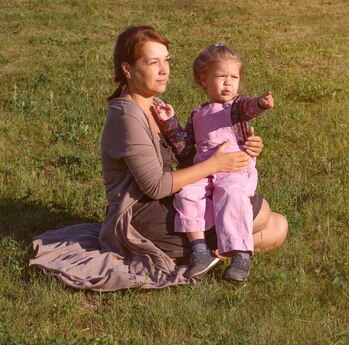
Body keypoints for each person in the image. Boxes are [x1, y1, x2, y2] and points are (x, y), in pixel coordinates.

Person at [29, 26, 288, 291]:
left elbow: (188, 158)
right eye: (153, 62)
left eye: (166, 60)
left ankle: (208, 251)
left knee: (277, 225)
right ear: (128, 69)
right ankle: (200, 252)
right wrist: (215, 164)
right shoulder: (127, 117)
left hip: (165, 202)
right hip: (141, 218)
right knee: (263, 215)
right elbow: (156, 186)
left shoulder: (155, 106)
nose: (164, 70)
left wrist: (242, 147)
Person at [155, 44, 274, 282]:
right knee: (185, 192)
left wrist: (260, 104)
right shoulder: (198, 113)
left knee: (231, 194)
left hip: (234, 167)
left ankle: (241, 253)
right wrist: (169, 122)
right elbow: (184, 147)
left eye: (234, 77)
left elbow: (249, 108)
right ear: (204, 80)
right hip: (207, 168)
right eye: (221, 76)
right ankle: (199, 249)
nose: (228, 83)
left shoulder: (237, 107)